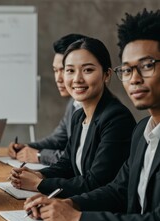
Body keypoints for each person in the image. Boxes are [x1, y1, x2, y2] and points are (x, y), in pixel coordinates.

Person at [24, 9, 160, 221]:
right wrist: (67, 204)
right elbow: (118, 190)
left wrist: (77, 218)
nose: (134, 78)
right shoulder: (143, 131)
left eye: (147, 65)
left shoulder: (116, 118)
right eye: (127, 69)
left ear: (106, 75)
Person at [9, 37, 136, 198]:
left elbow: (96, 182)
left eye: (88, 70)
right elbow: (66, 164)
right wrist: (38, 174)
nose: (77, 79)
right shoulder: (78, 116)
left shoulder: (117, 119)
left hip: (102, 211)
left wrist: (39, 184)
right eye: (70, 70)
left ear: (107, 74)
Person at [8, 34, 86, 165]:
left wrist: (39, 155)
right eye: (56, 70)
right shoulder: (74, 103)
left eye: (66, 70)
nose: (58, 78)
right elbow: (57, 139)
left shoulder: (101, 112)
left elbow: (79, 157)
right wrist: (27, 146)